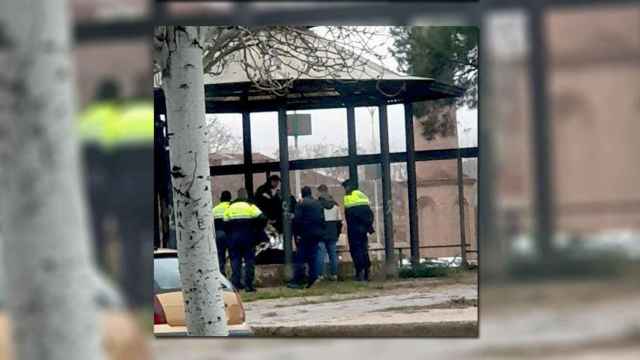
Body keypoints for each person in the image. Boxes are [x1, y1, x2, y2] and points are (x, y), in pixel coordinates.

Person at [223, 188, 267, 292]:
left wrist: (230, 233)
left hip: (233, 238)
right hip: (248, 238)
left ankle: (236, 285)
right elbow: (262, 218)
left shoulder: (230, 207)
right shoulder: (250, 206)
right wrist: (257, 229)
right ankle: (248, 285)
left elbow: (224, 222)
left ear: (237, 196)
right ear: (246, 196)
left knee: (235, 261)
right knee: (249, 261)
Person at [288, 186, 325, 289]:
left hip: (305, 234)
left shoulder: (301, 204)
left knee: (300, 257)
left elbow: (297, 220)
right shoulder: (318, 203)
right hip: (316, 234)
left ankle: (297, 281)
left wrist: (297, 234)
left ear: (302, 193)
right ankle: (312, 279)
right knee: (312, 257)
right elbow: (322, 219)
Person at [342, 179, 374, 281]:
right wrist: (368, 226)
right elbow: (369, 214)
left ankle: (359, 272)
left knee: (356, 251)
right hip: (363, 229)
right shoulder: (362, 196)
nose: (344, 189)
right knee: (364, 250)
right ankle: (367, 271)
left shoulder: (348, 198)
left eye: (345, 187)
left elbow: (348, 215)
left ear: (349, 187)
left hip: (354, 229)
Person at [316, 184, 342, 281]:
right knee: (333, 254)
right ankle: (334, 275)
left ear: (319, 192)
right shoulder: (335, 205)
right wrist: (337, 233)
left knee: (320, 254)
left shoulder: (317, 204)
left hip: (321, 232)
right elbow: (339, 222)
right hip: (332, 232)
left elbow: (316, 220)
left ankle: (320, 275)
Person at [212, 191, 232, 276]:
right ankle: (234, 275)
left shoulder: (215, 209)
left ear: (221, 199)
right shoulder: (232, 207)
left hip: (219, 234)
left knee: (220, 255)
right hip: (231, 234)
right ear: (230, 198)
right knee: (234, 256)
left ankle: (221, 274)